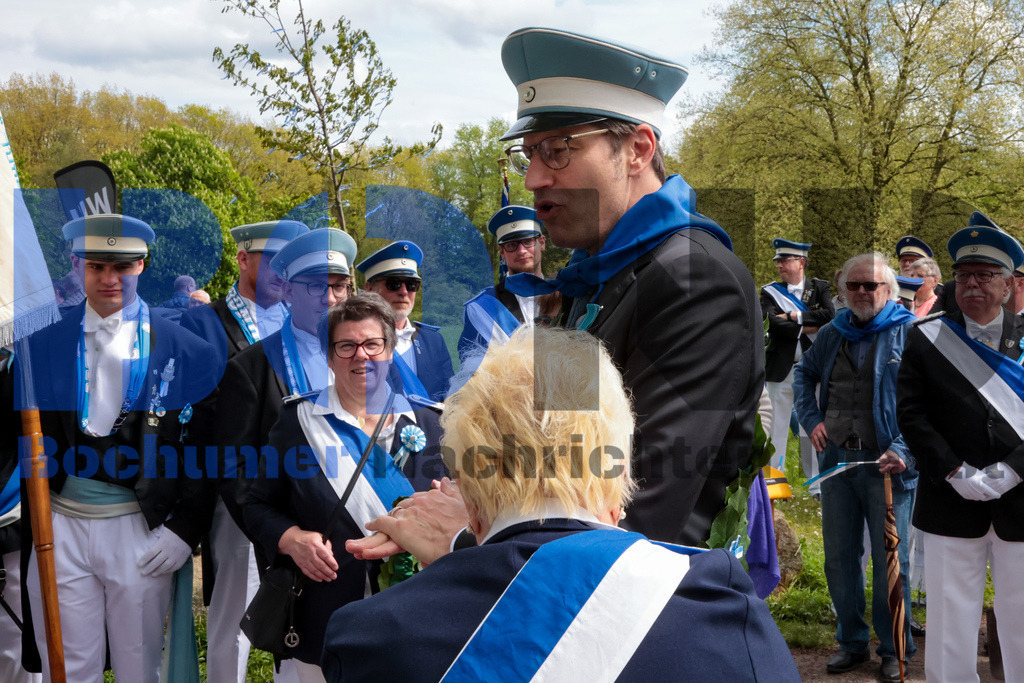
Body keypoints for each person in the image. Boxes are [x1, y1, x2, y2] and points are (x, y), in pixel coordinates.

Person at [322, 327, 797, 682]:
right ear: (618, 477)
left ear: (470, 496)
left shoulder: (370, 639)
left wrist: (463, 546)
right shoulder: (721, 607)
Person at [496, 26, 765, 545]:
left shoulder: (697, 280)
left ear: (638, 150)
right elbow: (558, 455)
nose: (532, 179)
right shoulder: (589, 276)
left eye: (555, 150)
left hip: (645, 608)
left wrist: (467, 539)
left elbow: (639, 506)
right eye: (527, 154)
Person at [15, 214, 220, 681]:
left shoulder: (186, 350)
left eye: (122, 267)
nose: (109, 279)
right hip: (60, 522)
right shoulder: (41, 344)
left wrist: (185, 528)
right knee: (65, 665)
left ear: (142, 265)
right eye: (97, 267)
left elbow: (205, 449)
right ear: (76, 265)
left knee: (138, 666)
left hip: (140, 528)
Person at [245, 293, 446, 681]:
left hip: (418, 618)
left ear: (390, 350)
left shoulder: (431, 423)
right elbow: (257, 505)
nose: (361, 356)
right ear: (330, 354)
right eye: (347, 345)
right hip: (325, 618)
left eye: (373, 344)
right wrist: (290, 539)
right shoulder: (297, 423)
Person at [897, 212, 1024, 682]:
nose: (973, 284)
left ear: (1008, 285)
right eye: (965, 274)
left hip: (1022, 500)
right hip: (949, 498)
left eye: (986, 275)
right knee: (950, 626)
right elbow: (912, 415)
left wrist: (1010, 472)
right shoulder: (926, 338)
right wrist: (955, 472)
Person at [180, 219, 309, 683]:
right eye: (272, 259)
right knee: (234, 614)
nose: (282, 271)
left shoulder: (306, 323)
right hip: (236, 491)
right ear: (242, 258)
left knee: (301, 607)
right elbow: (194, 416)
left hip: (301, 490)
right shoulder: (202, 321)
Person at [793, 252, 918, 681]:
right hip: (839, 463)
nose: (862, 292)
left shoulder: (909, 334)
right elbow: (802, 375)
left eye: (872, 286)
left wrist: (903, 446)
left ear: (889, 290)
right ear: (844, 290)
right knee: (840, 558)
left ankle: (893, 644)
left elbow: (928, 401)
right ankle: (851, 641)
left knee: (890, 560)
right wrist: (810, 419)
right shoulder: (832, 332)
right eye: (855, 286)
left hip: (889, 466)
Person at [760, 239, 834, 474]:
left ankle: (815, 483)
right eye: (778, 261)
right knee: (776, 426)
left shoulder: (819, 287)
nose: (779, 266)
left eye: (784, 261)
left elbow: (829, 316)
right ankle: (775, 477)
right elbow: (772, 322)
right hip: (781, 367)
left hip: (811, 369)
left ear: (800, 262)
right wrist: (810, 323)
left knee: (811, 426)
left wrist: (792, 316)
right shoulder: (769, 291)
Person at [356, 241, 454, 402]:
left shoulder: (434, 341)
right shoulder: (355, 342)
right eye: (393, 284)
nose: (404, 292)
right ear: (369, 288)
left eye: (411, 284)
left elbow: (450, 398)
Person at [458, 206, 560, 359]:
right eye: (511, 245)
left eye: (528, 241)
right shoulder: (482, 308)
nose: (521, 251)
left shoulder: (565, 294)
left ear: (542, 243)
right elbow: (471, 370)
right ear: (502, 252)